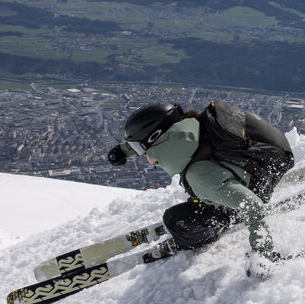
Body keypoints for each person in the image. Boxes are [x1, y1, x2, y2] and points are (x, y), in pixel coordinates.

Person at [107, 102, 291, 278]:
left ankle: (216, 226)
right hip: (264, 160)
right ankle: (227, 193)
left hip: (253, 188)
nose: (141, 154)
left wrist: (262, 255)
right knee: (201, 195)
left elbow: (253, 206)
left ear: (158, 142)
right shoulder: (189, 130)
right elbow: (163, 135)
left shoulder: (200, 177)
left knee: (174, 219)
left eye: (139, 149)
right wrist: (124, 151)